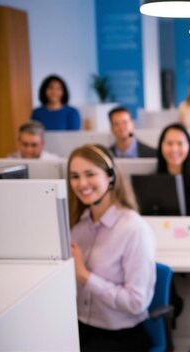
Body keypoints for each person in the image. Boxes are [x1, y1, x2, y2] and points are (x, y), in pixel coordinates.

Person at [67, 144, 156, 351]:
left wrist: (85, 277)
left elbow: (136, 302)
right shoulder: (77, 227)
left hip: (121, 336)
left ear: (110, 177)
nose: (82, 183)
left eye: (90, 174)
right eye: (75, 176)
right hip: (81, 326)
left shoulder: (133, 229)